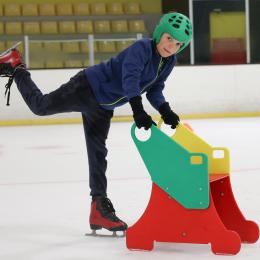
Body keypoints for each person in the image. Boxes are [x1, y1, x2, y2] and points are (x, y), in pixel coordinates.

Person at [0, 12, 192, 234]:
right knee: (41, 106)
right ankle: (16, 66)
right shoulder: (142, 48)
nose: (171, 46)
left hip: (103, 107)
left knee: (98, 154)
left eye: (178, 44)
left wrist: (165, 110)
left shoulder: (169, 61)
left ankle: (98, 209)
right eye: (169, 38)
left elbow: (155, 89)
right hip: (87, 87)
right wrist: (138, 111)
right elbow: (130, 79)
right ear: (160, 34)